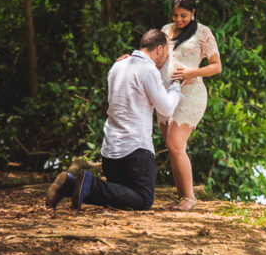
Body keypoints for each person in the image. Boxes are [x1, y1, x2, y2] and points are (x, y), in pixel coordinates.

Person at [45, 29, 183, 211]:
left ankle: (71, 185)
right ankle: (91, 184)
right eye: (166, 52)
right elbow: (165, 108)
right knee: (143, 199)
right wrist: (176, 86)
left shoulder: (118, 65)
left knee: (120, 192)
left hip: (110, 155)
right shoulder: (148, 69)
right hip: (136, 154)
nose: (166, 58)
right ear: (159, 49)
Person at [156, 0, 221, 211]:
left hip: (191, 94)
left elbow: (216, 66)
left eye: (184, 15)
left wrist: (191, 72)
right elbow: (158, 57)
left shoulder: (203, 33)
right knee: (172, 146)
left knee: (175, 143)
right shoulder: (166, 30)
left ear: (193, 12)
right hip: (166, 93)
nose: (179, 20)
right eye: (175, 15)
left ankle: (190, 198)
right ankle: (181, 196)